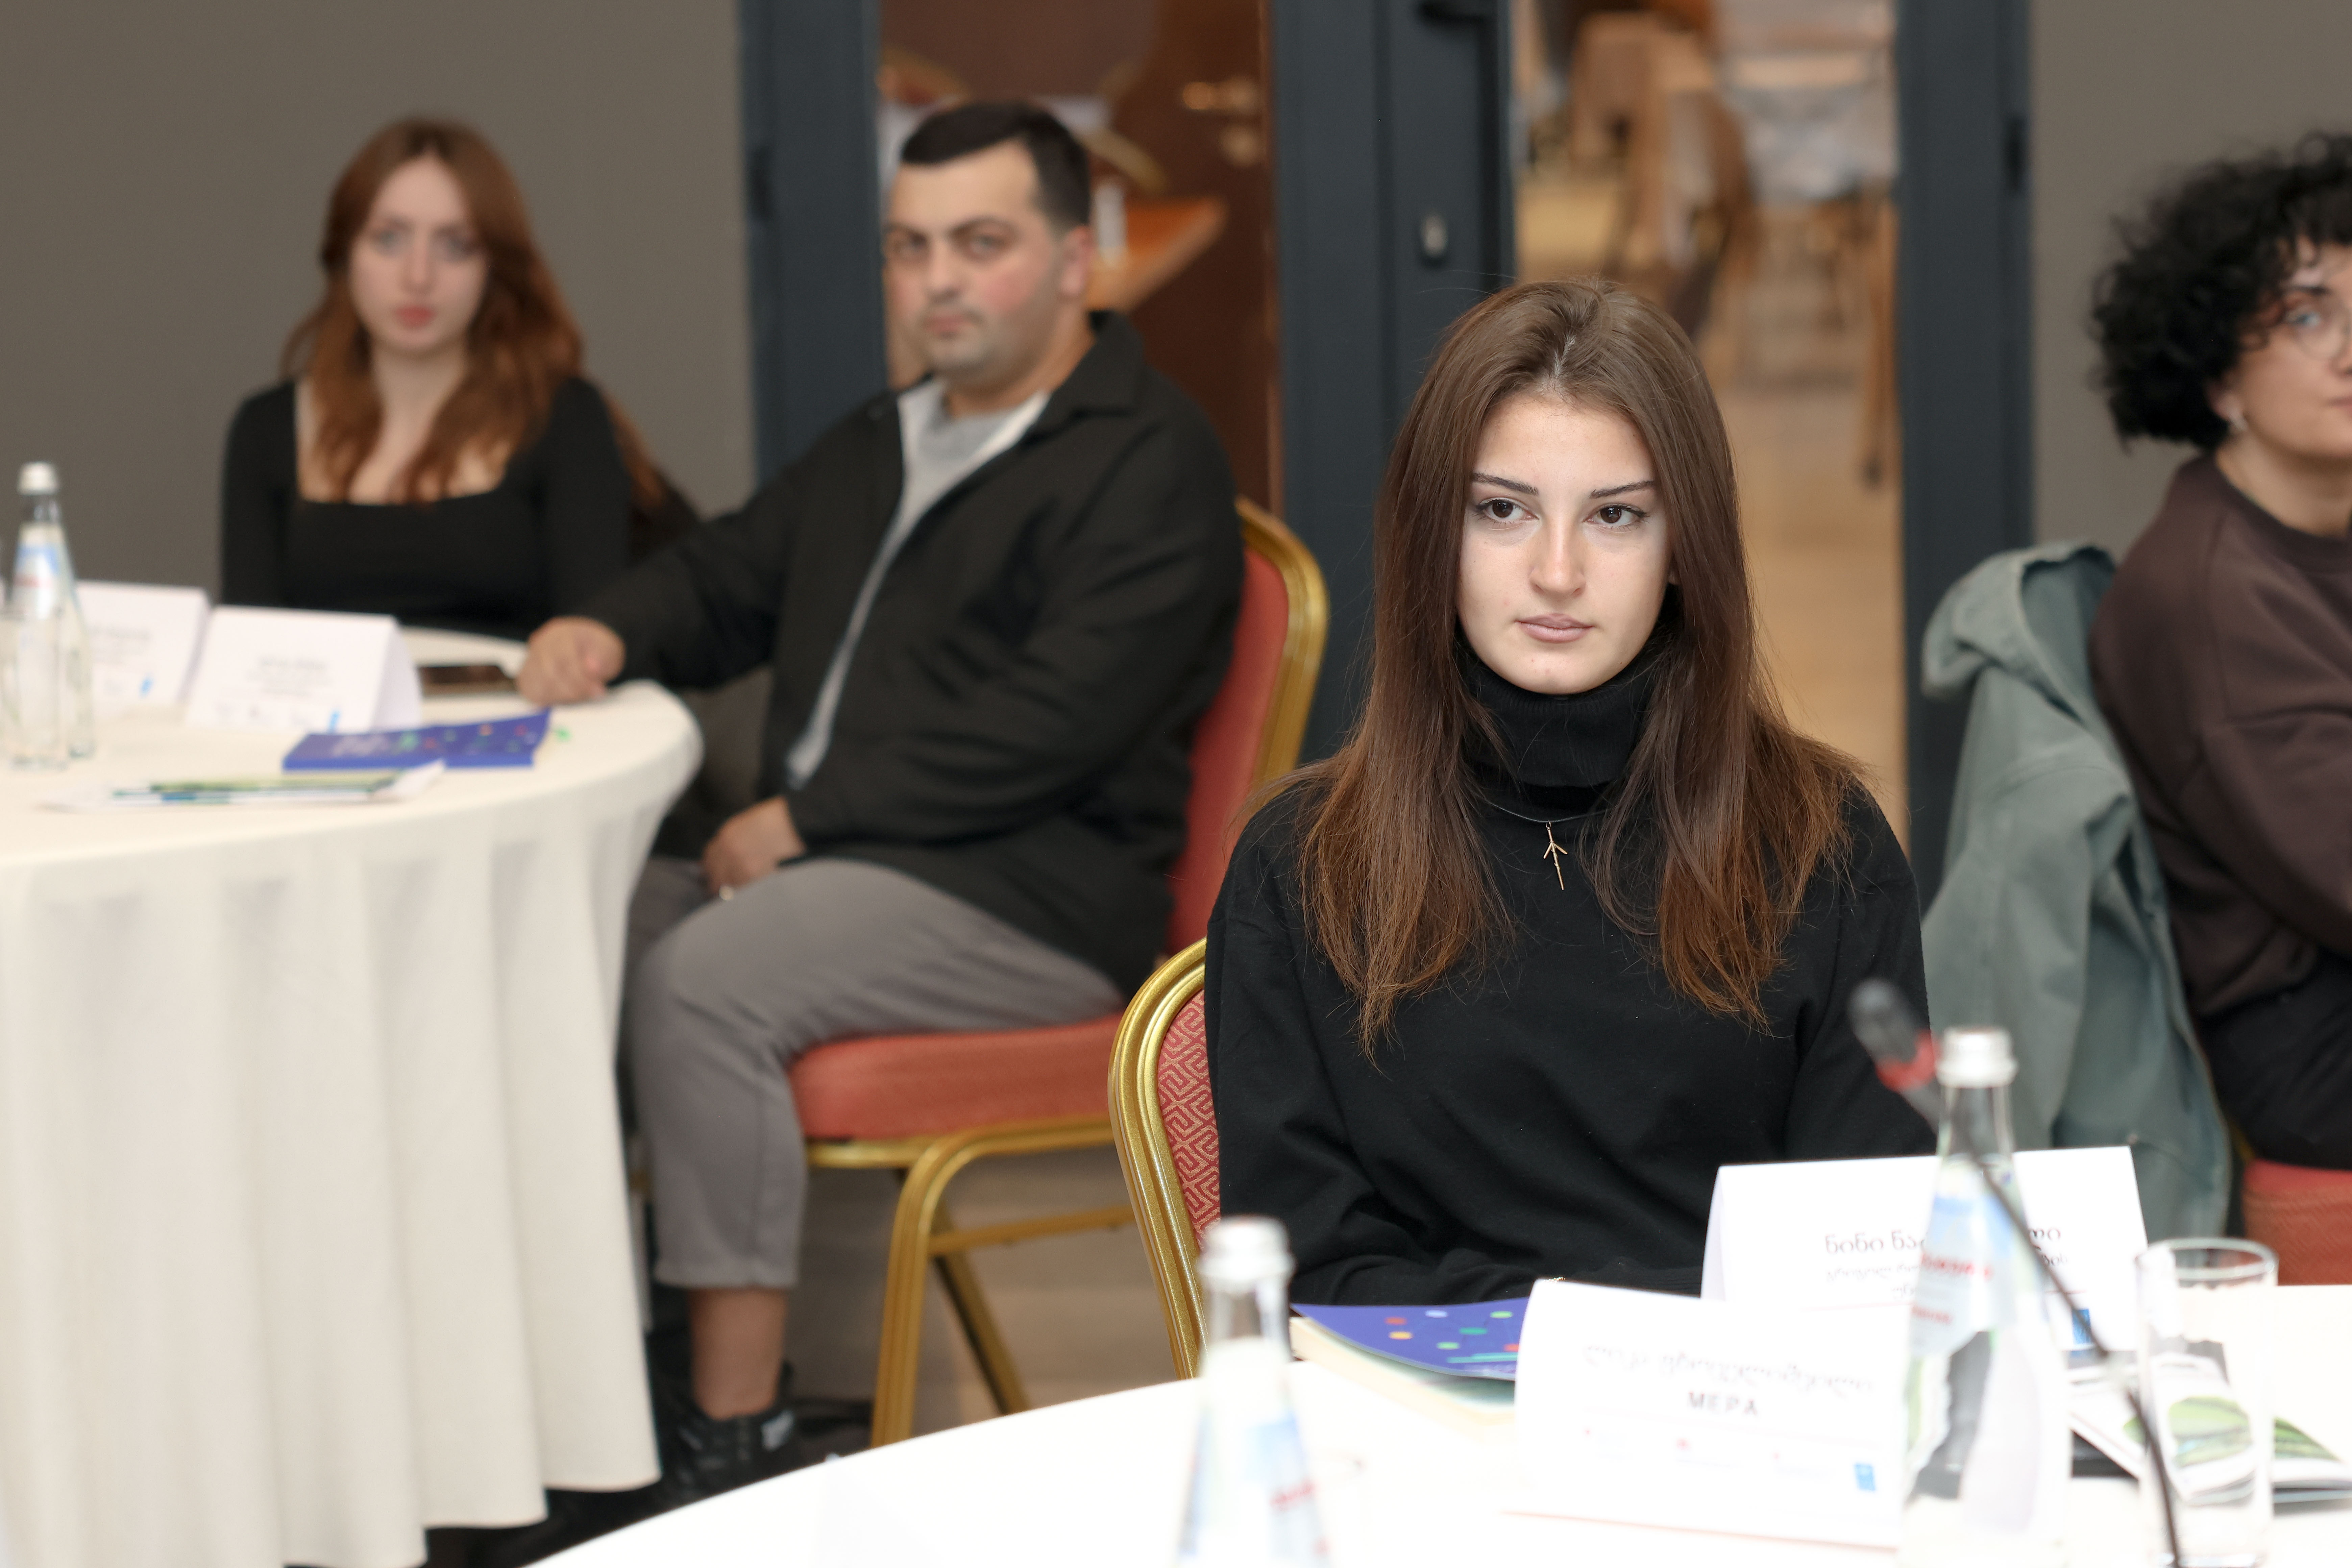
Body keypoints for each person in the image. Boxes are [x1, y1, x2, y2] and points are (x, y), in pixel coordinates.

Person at [518, 102, 1240, 1495]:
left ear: (1076, 258)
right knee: (565, 937)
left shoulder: (1149, 458)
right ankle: (602, 1383)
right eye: (910, 248)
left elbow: (1055, 723)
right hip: (848, 867)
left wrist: (805, 820)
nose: (937, 281)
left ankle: (733, 1437)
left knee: (704, 981)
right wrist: (608, 629)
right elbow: (728, 574)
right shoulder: (884, 438)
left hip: (1032, 890)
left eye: (981, 243)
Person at [1207, 278, 1932, 1305]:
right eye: (1502, 510)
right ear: (1435, 537)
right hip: (1417, 1400)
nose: (1557, 571)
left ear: (1683, 550)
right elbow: (1313, 1270)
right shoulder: (1301, 867)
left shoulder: (1826, 844)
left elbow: (1861, 1252)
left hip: (1740, 1397)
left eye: (1616, 516)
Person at [2087, 133, 2352, 1170]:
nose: (2349, 348)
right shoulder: (2212, 596)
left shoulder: (2316, 526)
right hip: (2319, 1044)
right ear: (2220, 378)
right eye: (2306, 315)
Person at [221, 117, 680, 644]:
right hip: (325, 702)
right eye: (389, 240)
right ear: (345, 252)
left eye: (455, 246)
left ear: (493, 266)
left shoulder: (563, 419)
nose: (418, 277)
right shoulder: (266, 429)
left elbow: (589, 649)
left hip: (518, 700)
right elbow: (248, 659)